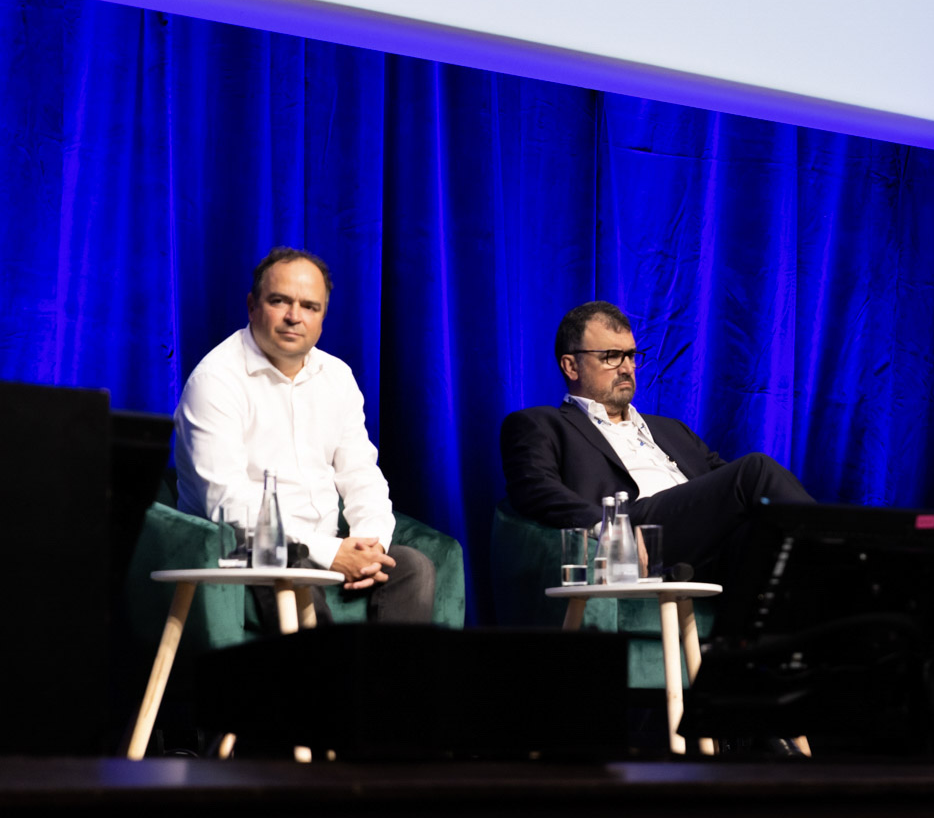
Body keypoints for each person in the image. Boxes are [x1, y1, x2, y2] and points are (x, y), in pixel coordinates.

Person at [174, 247, 436, 623]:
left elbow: (361, 474)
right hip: (248, 550)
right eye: (279, 301)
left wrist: (371, 544)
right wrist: (329, 553)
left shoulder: (337, 376)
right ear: (252, 306)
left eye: (310, 307)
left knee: (413, 568)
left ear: (322, 317)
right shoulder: (215, 381)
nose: (294, 317)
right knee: (294, 572)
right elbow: (227, 502)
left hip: (328, 544)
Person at [500, 301, 813, 581]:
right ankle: (834, 548)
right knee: (756, 470)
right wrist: (609, 526)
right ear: (571, 366)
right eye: (611, 357)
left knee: (770, 541)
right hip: (634, 529)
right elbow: (534, 487)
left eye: (631, 355)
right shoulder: (540, 424)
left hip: (710, 544)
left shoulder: (671, 430)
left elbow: (727, 487)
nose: (627, 368)